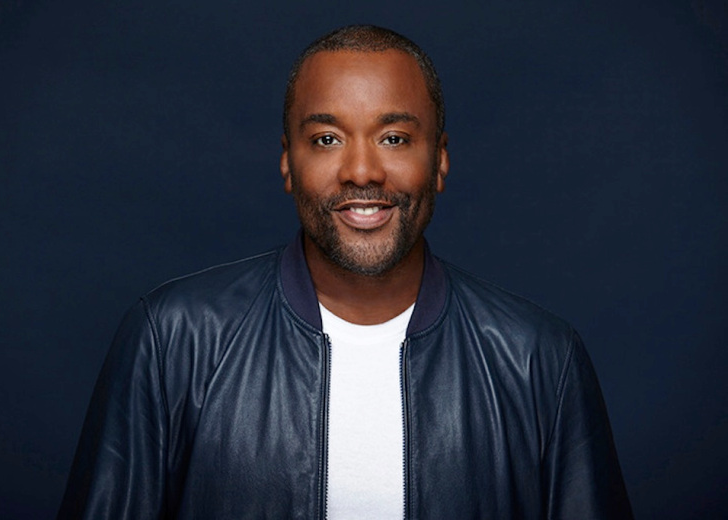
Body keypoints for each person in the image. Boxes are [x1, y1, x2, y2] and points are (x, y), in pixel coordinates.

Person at [58, 25, 633, 519]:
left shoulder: (540, 359)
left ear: (439, 160)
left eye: (394, 138)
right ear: (288, 161)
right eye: (327, 139)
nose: (362, 171)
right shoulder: (171, 339)